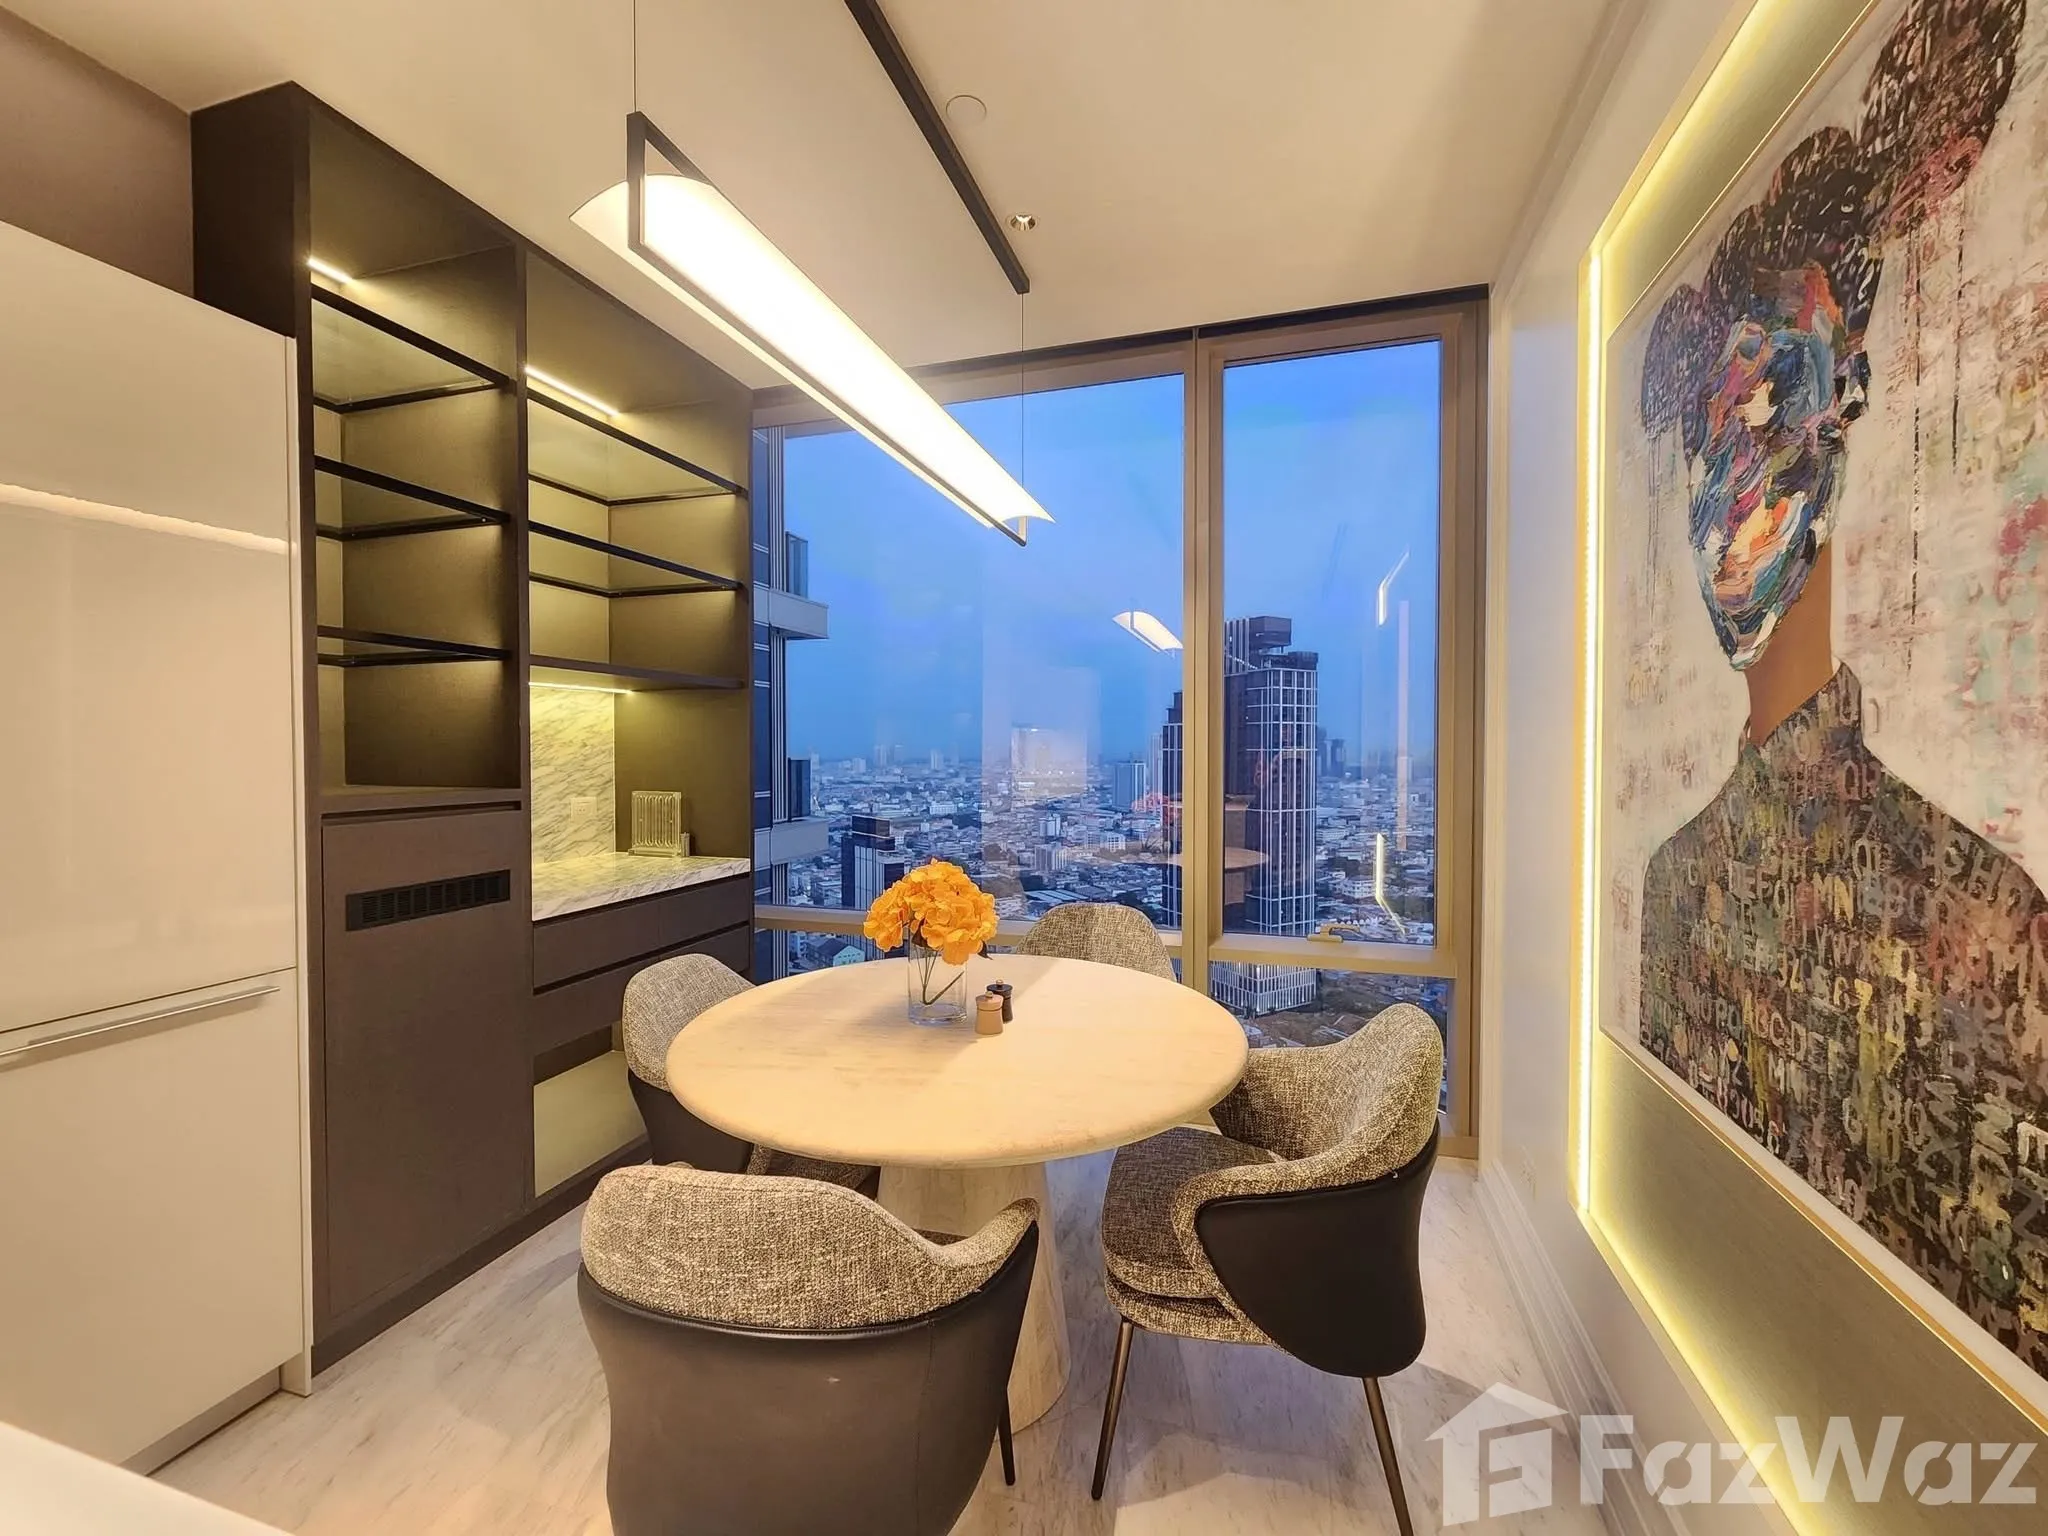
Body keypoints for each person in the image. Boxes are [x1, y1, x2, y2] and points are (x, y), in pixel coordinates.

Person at [1635, 0, 2048, 1374]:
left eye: (1770, 411)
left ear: (1838, 419)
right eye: (1712, 444)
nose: (1730, 493)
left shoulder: (1983, 925)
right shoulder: (1678, 883)